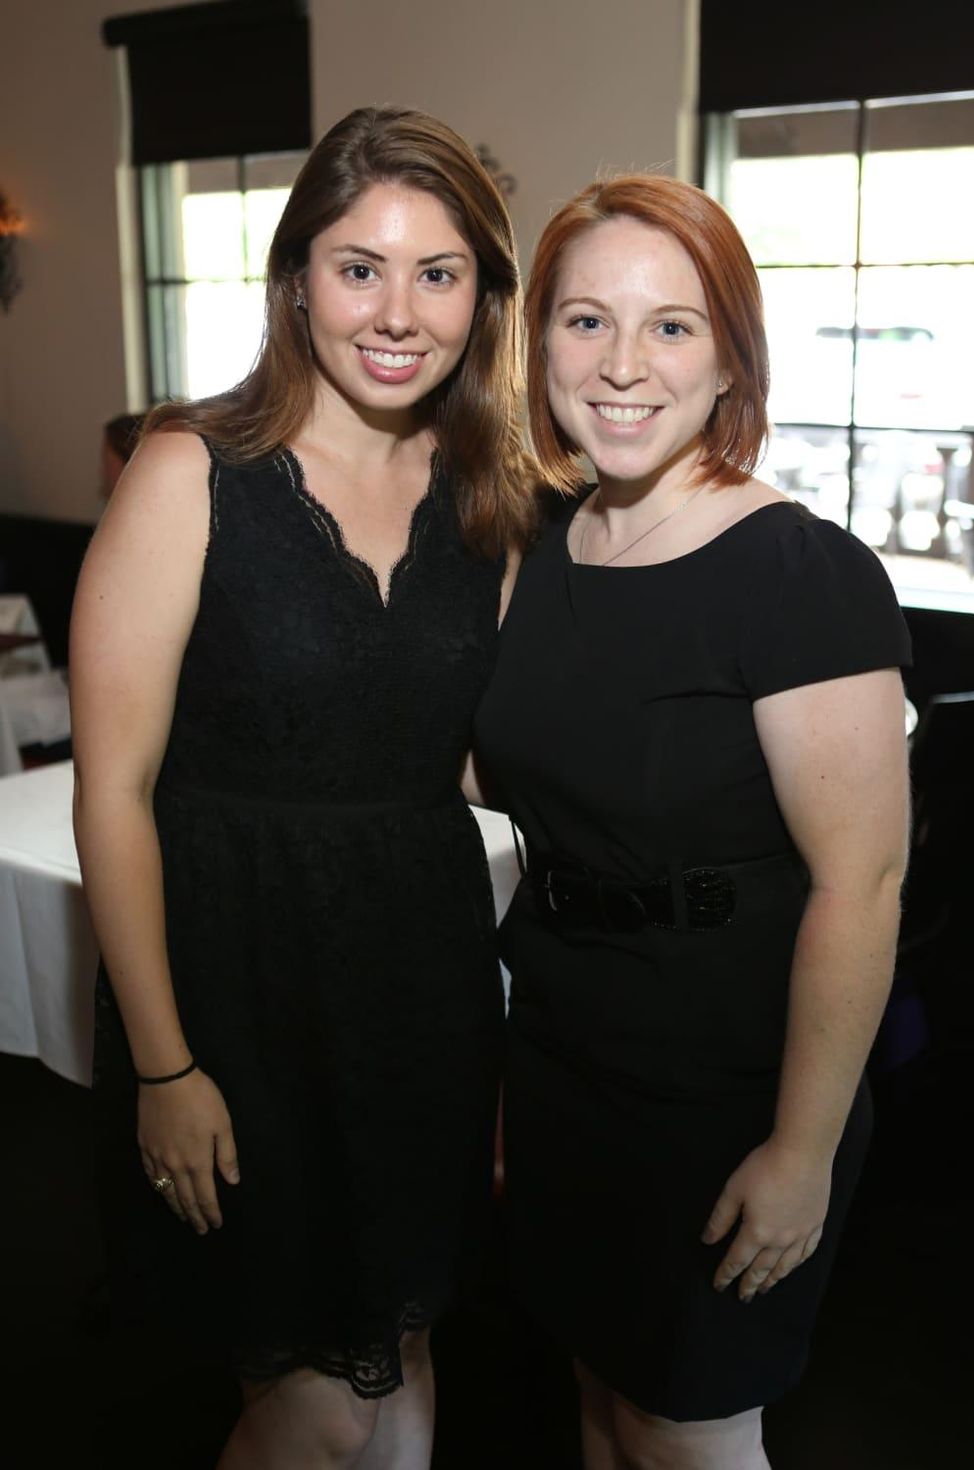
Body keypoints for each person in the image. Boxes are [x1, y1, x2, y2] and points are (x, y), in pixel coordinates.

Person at [71, 106, 537, 1470]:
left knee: (402, 1348)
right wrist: (164, 1063)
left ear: (481, 297)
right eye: (359, 266)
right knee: (312, 1397)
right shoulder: (188, 471)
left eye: (438, 272)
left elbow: (466, 745)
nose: (398, 311)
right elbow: (113, 788)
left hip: (423, 986)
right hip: (241, 987)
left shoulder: (489, 498)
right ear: (296, 282)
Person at [473, 175, 911, 1470]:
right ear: (539, 341)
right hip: (562, 1052)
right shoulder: (548, 551)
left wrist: (800, 1148)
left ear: (731, 358)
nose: (621, 365)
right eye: (585, 320)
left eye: (670, 326)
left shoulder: (802, 576)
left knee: (691, 1435)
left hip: (726, 1087)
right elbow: (517, 771)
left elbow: (864, 882)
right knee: (602, 1407)